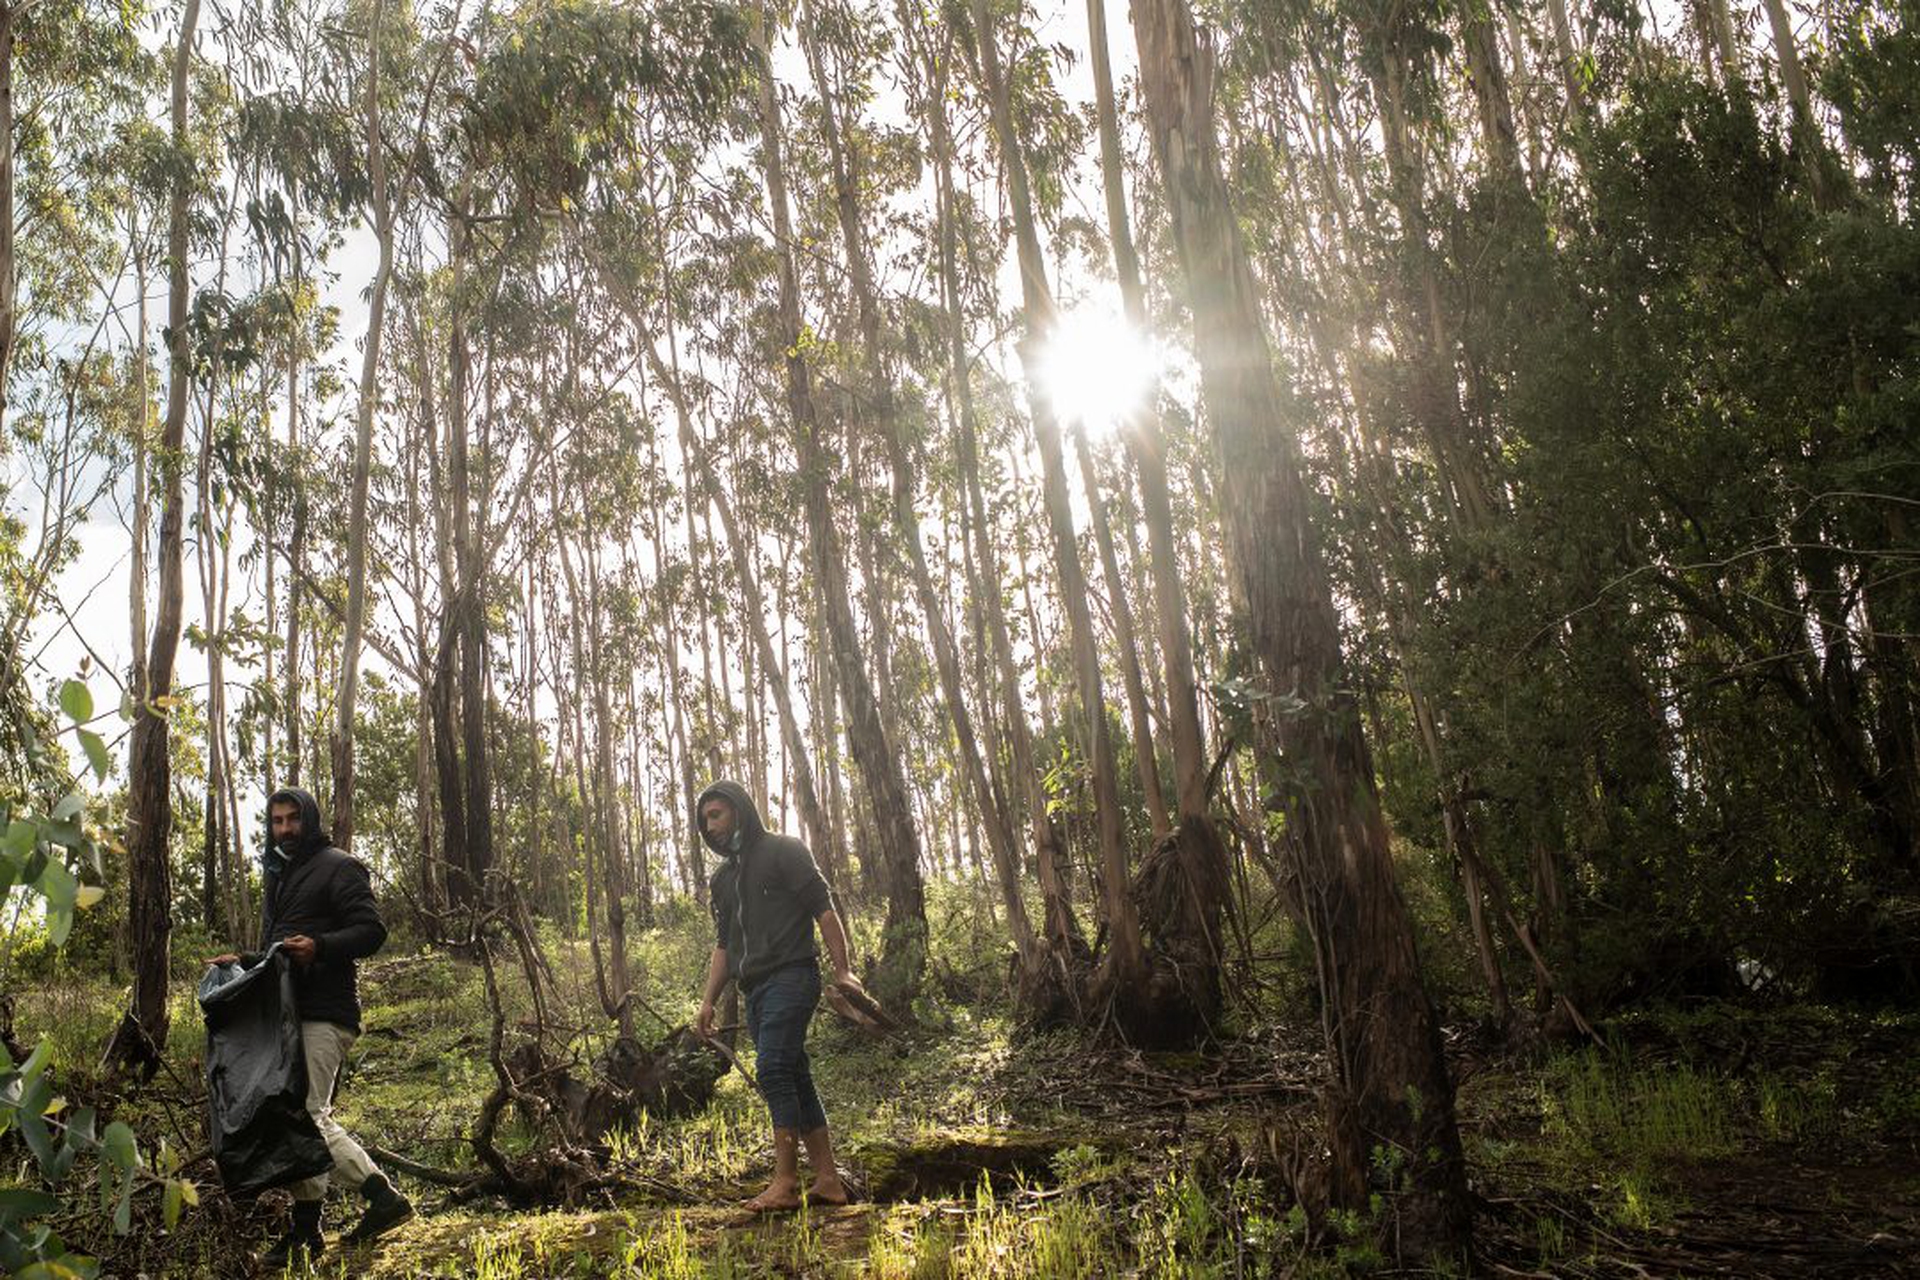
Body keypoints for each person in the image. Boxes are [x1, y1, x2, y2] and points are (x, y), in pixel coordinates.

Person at [208, 787, 413, 1265]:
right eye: (277, 821)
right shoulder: (282, 876)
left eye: (293, 819)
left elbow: (372, 932)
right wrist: (244, 961)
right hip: (289, 1015)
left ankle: (382, 1197)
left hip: (326, 1013)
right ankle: (306, 1232)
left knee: (304, 1117)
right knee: (296, 1117)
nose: (285, 829)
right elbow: (282, 954)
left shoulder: (339, 866)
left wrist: (320, 946)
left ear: (311, 819)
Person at [693, 779, 861, 1211]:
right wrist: (708, 1000)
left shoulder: (784, 850)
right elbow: (725, 945)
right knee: (794, 1074)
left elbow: (823, 909)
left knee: (771, 1069)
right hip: (754, 989)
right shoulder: (722, 880)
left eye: (717, 814)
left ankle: (785, 1182)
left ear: (740, 810)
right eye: (704, 819)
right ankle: (829, 1181)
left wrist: (843, 970)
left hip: (793, 975)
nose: (710, 826)